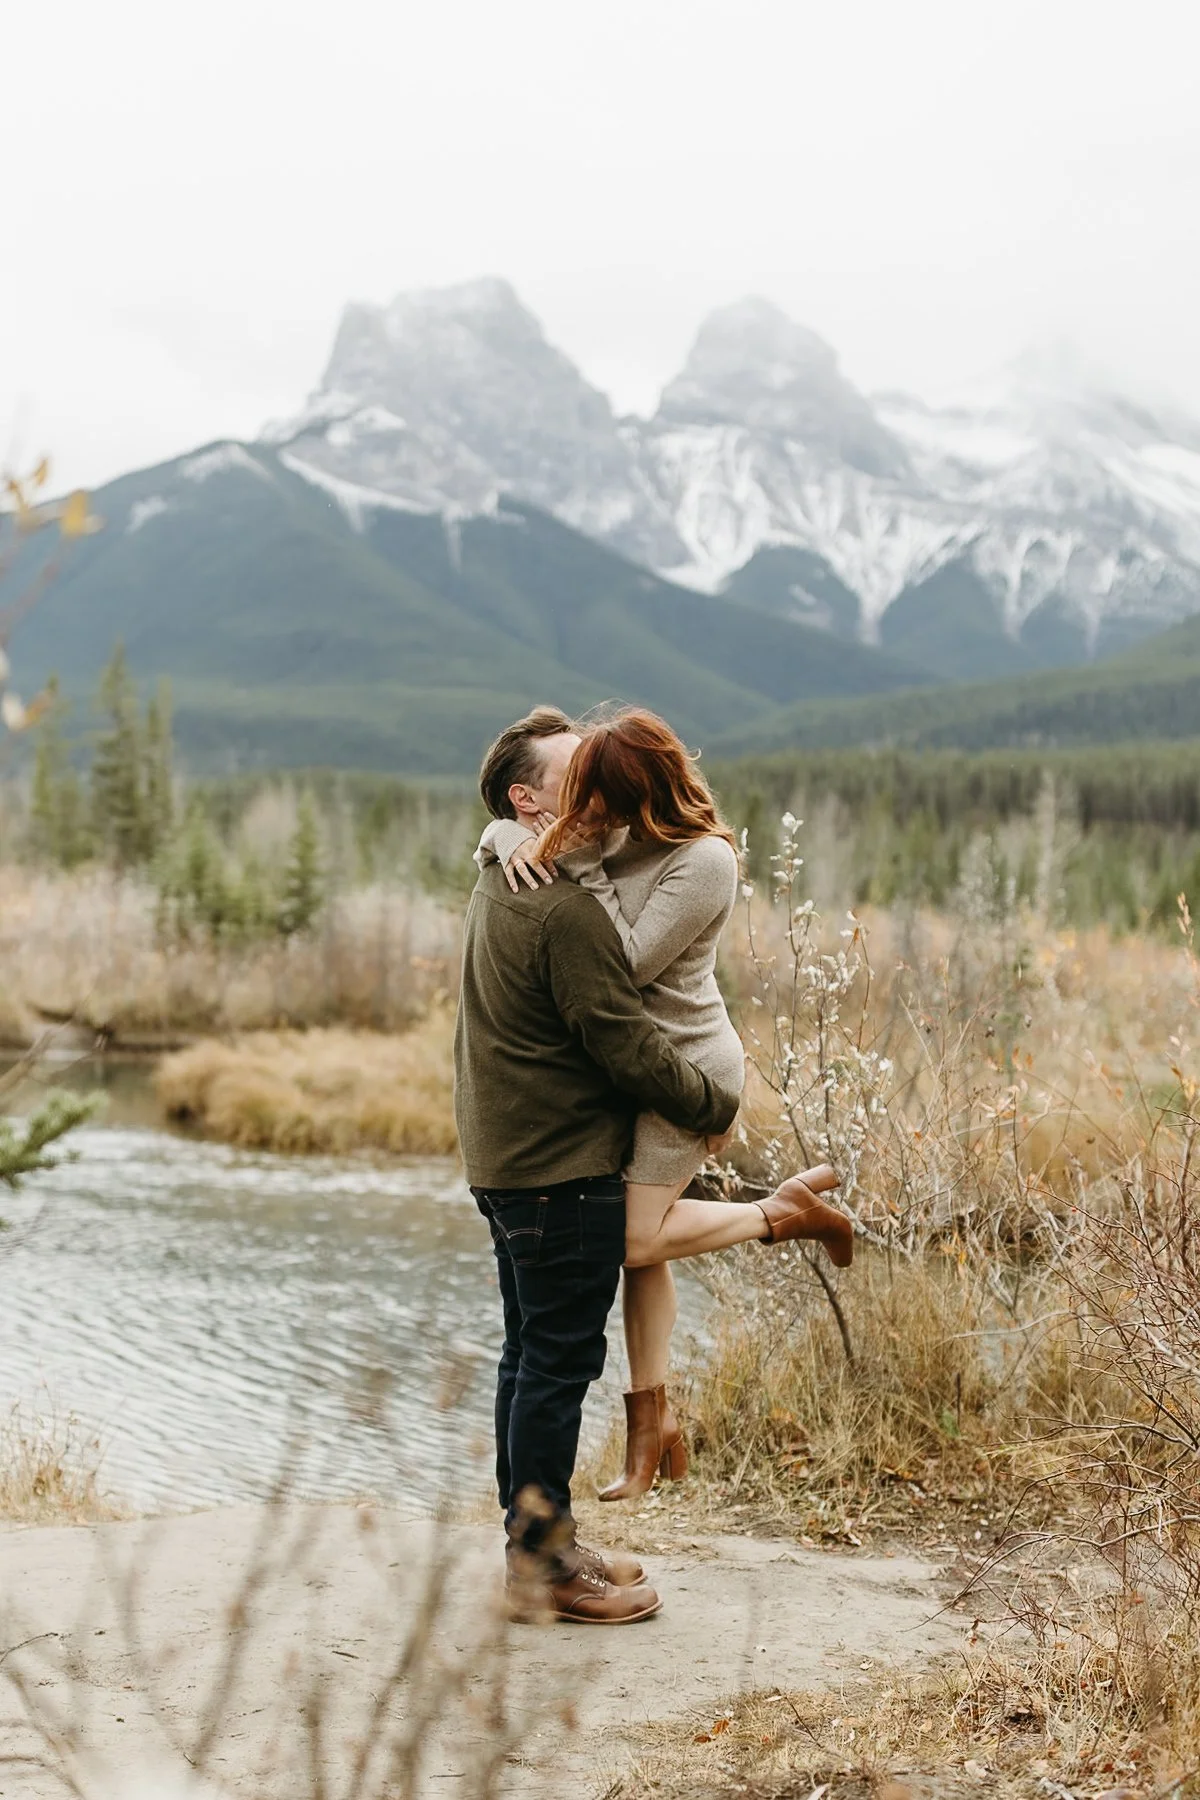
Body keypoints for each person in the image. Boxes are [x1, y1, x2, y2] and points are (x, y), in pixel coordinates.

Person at [476, 707, 853, 1504]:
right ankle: (653, 1432)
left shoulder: (705, 861)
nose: (588, 814)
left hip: (683, 1064)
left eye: (600, 795)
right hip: (635, 1065)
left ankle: (778, 1213)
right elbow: (527, 837)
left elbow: (624, 964)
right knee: (638, 1246)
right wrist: (509, 838)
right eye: (579, 797)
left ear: (639, 790)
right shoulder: (611, 832)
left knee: (632, 1239)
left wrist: (563, 861)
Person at [455, 707, 743, 1626]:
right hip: (561, 1164)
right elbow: (624, 1045)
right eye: (575, 776)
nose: (593, 793)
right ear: (528, 799)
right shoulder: (562, 905)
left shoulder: (506, 877)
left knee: (527, 1355)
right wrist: (713, 1104)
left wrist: (506, 836)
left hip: (510, 1159)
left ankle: (539, 1541)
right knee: (556, 1366)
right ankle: (542, 1566)